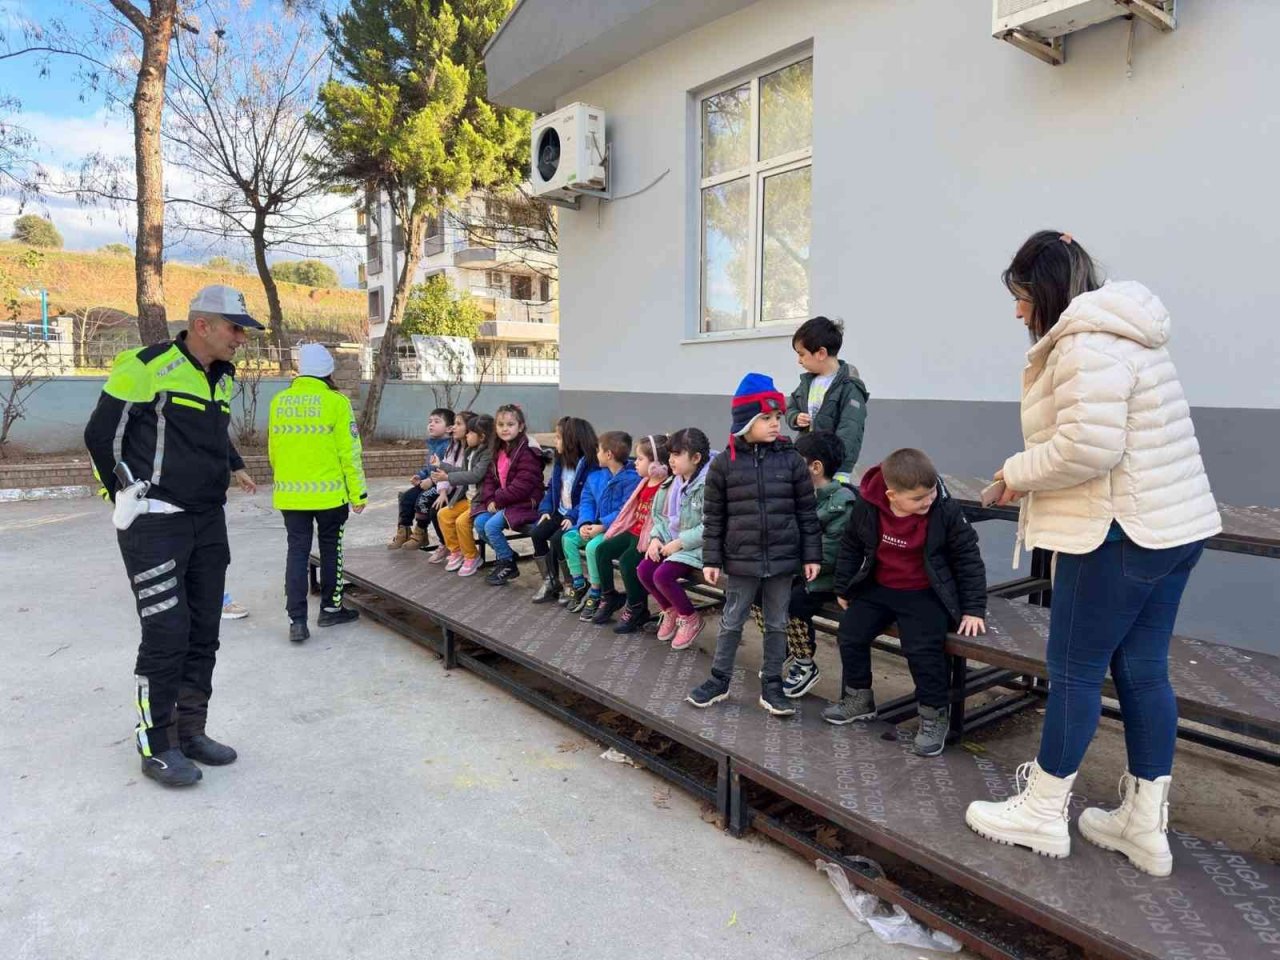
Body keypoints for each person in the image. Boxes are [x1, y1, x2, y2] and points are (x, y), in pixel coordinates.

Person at [965, 232, 1221, 876]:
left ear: (1046, 290)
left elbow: (1087, 449)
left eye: (1021, 297)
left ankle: (1043, 812)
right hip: (1172, 528)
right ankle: (1143, 824)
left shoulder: (1084, 343)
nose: (1019, 313)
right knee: (1143, 669)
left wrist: (1016, 471)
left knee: (1076, 672)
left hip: (1114, 533)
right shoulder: (1129, 329)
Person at [84, 284, 262, 788]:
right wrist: (123, 496)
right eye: (235, 328)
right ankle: (156, 744)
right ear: (202, 325)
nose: (241, 339)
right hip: (156, 521)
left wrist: (235, 464)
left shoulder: (221, 377)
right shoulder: (145, 365)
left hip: (208, 521)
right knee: (166, 633)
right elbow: (103, 435)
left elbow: (208, 431)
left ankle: (190, 731)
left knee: (204, 630)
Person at [824, 448, 987, 757]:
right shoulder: (867, 506)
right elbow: (851, 544)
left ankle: (933, 715)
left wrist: (974, 608)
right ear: (892, 495)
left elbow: (968, 558)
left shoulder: (945, 510)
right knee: (850, 633)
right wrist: (844, 587)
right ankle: (859, 698)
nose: (927, 501)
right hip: (880, 587)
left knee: (923, 650)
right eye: (918, 498)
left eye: (931, 493)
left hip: (926, 592)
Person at [687, 373, 821, 717]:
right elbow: (714, 517)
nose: (776, 424)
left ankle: (772, 685)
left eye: (778, 417)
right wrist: (711, 558)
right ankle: (719, 679)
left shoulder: (791, 460)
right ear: (746, 421)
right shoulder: (723, 464)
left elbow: (807, 511)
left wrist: (811, 555)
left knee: (777, 622)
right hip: (741, 559)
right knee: (732, 620)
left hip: (782, 560)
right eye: (767, 417)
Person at [267, 343, 368, 644]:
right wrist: (358, 493)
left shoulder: (279, 401)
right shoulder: (336, 402)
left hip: (290, 495)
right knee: (330, 549)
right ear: (327, 372)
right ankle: (330, 608)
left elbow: (273, 450)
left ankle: (296, 620)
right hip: (329, 496)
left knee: (296, 553)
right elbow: (350, 452)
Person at [750, 430, 856, 698]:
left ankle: (804, 663)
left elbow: (828, 557)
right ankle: (782, 645)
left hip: (826, 578)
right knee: (756, 591)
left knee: (792, 602)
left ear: (815, 467)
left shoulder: (841, 504)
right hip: (796, 569)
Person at [636, 427, 711, 647]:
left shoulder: (708, 486)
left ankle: (690, 618)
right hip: (672, 542)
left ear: (696, 458)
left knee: (663, 575)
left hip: (698, 546)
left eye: (677, 455)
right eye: (670, 455)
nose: (671, 460)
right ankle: (670, 610)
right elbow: (660, 517)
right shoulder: (672, 483)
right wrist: (656, 539)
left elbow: (710, 526)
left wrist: (679, 543)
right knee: (644, 570)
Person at [586, 434, 669, 626]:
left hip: (647, 539)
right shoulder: (644, 482)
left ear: (655, 464)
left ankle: (637, 607)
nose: (635, 463)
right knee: (602, 550)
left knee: (627, 562)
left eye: (640, 459)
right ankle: (609, 596)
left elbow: (663, 520)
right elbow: (629, 511)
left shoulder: (665, 487)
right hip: (633, 533)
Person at [785, 316, 870, 484]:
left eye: (802, 354)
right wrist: (795, 417)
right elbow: (790, 407)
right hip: (807, 464)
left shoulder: (850, 387)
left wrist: (841, 471)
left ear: (821, 353)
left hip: (834, 471)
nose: (799, 361)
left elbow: (850, 431)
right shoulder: (807, 383)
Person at [563, 431, 639, 613]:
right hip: (594, 526)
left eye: (598, 450)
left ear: (608, 455)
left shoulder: (632, 480)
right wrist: (584, 523)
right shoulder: (595, 477)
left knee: (592, 548)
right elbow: (586, 502)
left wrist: (603, 525)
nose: (595, 454)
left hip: (614, 530)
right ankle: (580, 584)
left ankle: (597, 592)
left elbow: (625, 511)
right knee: (568, 539)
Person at [472, 403, 547, 586]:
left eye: (510, 424)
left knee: (491, 526)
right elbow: (490, 478)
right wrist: (490, 498)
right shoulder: (498, 449)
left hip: (525, 503)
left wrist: (497, 499)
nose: (505, 429)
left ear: (520, 427)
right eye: (501, 425)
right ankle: (507, 556)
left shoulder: (528, 451)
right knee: (480, 522)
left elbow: (522, 486)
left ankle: (508, 564)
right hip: (505, 502)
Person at [529, 416, 600, 603]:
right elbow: (552, 487)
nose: (555, 441)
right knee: (537, 533)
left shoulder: (589, 465)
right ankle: (551, 581)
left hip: (578, 515)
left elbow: (588, 498)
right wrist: (545, 508)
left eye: (559, 437)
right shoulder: (561, 461)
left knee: (558, 539)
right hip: (559, 511)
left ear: (572, 441)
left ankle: (572, 583)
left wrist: (573, 515)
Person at [431, 414, 494, 577]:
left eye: (470, 433)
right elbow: (463, 472)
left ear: (482, 437)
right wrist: (442, 466)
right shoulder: (469, 451)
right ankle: (457, 551)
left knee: (461, 522)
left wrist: (447, 477)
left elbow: (475, 475)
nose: (467, 435)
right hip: (468, 499)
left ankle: (472, 557)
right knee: (443, 514)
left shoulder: (487, 454)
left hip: (479, 501)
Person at [389, 408, 454, 550]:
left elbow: (447, 469)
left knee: (422, 499)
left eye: (437, 422)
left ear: (449, 428)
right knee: (406, 497)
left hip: (443, 485)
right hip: (430, 482)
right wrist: (420, 475)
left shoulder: (449, 446)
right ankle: (404, 532)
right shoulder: (433, 444)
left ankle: (420, 534)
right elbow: (429, 468)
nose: (431, 424)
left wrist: (431, 481)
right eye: (430, 421)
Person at [422, 411, 472, 558]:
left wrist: (445, 476)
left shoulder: (473, 449)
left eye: (458, 424)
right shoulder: (454, 446)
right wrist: (442, 491)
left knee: (441, 511)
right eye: (454, 424)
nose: (453, 428)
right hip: (453, 490)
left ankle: (457, 549)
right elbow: (443, 469)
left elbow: (468, 473)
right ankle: (449, 546)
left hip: (465, 494)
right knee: (432, 507)